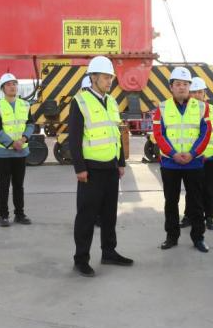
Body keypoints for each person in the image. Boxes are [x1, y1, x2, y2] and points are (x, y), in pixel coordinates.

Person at [69, 56, 132, 277]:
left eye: (111, 78)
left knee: (109, 214)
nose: (109, 81)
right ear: (93, 77)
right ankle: (81, 259)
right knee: (86, 216)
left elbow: (116, 134)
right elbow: (74, 138)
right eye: (106, 77)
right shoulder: (80, 101)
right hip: (91, 170)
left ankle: (109, 252)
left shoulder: (112, 101)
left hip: (111, 168)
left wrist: (120, 162)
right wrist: (80, 168)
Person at [153, 67, 211, 253]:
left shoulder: (202, 107)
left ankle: (198, 237)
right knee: (171, 202)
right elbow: (158, 134)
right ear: (171, 87)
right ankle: (171, 237)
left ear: (189, 87)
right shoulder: (162, 107)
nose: (182, 87)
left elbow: (205, 133)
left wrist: (192, 154)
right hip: (170, 163)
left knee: (196, 203)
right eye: (178, 84)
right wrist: (173, 154)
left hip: (194, 163)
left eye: (185, 84)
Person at [0, 73, 35, 227]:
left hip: (21, 151)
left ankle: (19, 214)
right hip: (3, 153)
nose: (12, 86)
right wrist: (11, 143)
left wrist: (23, 139)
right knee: (3, 185)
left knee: (18, 185)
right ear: (3, 88)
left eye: (14, 83)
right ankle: (3, 215)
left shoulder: (25, 105)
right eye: (8, 84)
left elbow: (30, 124)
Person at [186, 77, 213, 230]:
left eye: (199, 92)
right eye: (193, 92)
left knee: (208, 189)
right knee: (191, 190)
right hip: (191, 158)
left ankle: (209, 217)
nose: (196, 95)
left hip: (209, 158)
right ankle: (189, 216)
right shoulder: (185, 110)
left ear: (204, 93)